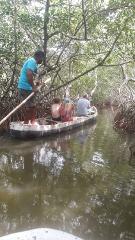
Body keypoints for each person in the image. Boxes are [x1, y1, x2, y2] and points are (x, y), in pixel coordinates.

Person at [18, 50, 44, 124]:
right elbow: (29, 74)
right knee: (30, 107)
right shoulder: (32, 61)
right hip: (25, 87)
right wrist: (33, 87)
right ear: (39, 57)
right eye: (42, 58)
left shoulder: (34, 64)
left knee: (32, 106)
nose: (42, 60)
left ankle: (32, 122)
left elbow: (33, 75)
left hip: (26, 87)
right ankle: (27, 123)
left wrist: (37, 83)